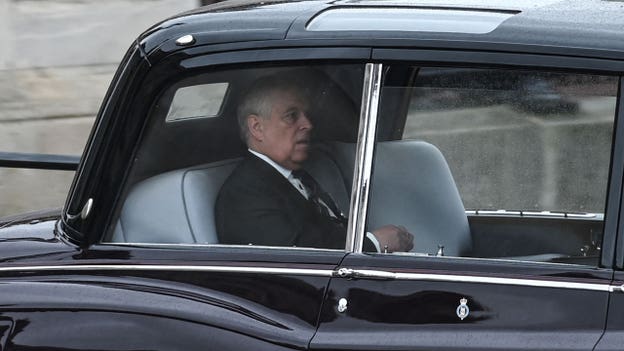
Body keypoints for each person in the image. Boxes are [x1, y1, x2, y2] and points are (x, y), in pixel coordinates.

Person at [215, 72, 414, 252]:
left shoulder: (295, 177)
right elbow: (297, 258)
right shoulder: (244, 195)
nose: (308, 125)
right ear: (257, 128)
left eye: (306, 115)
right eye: (291, 116)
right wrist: (375, 243)